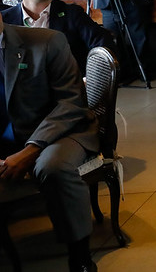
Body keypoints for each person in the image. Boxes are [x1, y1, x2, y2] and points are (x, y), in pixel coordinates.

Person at [0, 14, 100, 272]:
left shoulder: (46, 41)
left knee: (52, 167)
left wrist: (32, 149)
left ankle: (80, 257)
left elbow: (71, 102)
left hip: (59, 130)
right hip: (5, 139)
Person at [2, 0, 114, 73]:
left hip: (68, 85)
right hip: (20, 87)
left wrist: (92, 78)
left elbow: (103, 44)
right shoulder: (5, 20)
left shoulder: (72, 14)